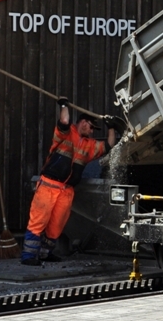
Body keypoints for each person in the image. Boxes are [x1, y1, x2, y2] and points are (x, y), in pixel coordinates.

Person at [21, 96, 123, 266]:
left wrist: (111, 126)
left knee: (57, 225)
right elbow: (64, 120)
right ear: (83, 123)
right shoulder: (66, 133)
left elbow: (110, 145)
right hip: (48, 185)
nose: (92, 132)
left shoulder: (90, 146)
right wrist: (63, 105)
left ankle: (46, 253)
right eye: (91, 128)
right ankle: (28, 256)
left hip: (66, 190)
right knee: (38, 220)